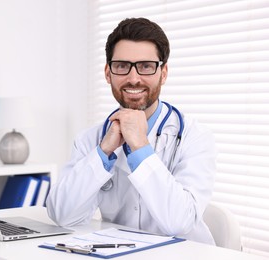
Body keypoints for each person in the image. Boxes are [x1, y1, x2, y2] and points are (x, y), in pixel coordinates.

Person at [46, 17, 217, 245]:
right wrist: (104, 152)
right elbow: (62, 214)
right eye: (122, 66)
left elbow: (179, 222)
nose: (133, 78)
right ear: (108, 73)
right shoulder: (91, 140)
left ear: (163, 73)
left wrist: (140, 147)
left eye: (146, 66)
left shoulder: (194, 137)